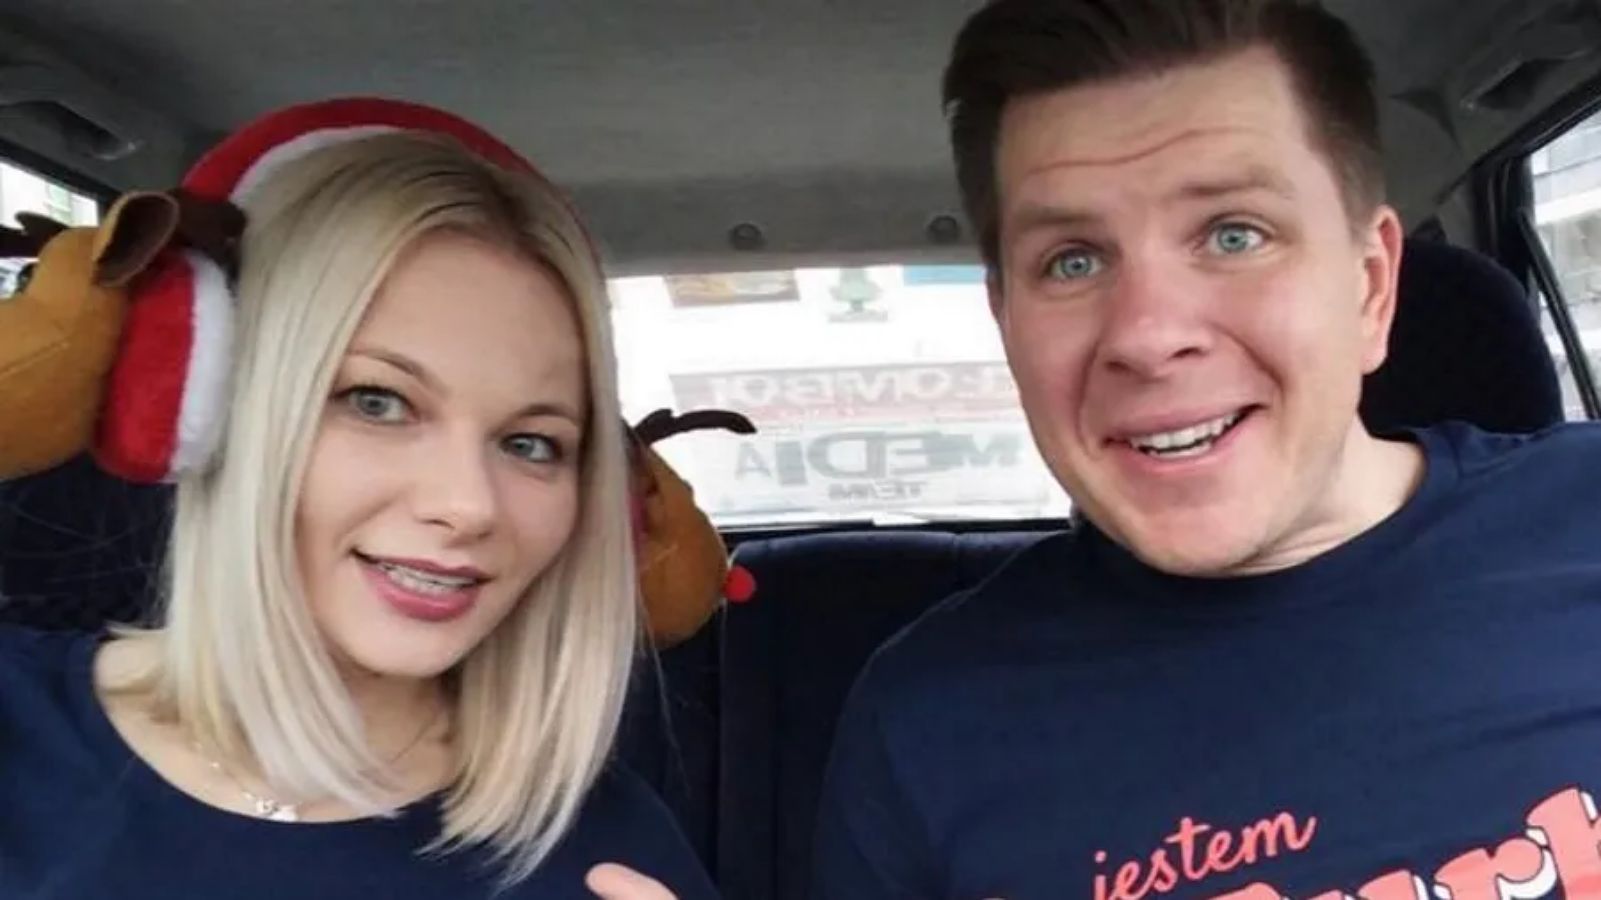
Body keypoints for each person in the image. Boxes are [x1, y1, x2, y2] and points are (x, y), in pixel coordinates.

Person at [807, 1, 1601, 898]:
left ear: (1369, 286)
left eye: (1234, 235)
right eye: (1071, 261)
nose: (1146, 336)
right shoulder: (925, 721)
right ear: (1006, 323)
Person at [0, 99, 717, 899]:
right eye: (378, 402)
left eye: (530, 443)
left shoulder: (606, 850)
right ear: (218, 406)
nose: (469, 505)